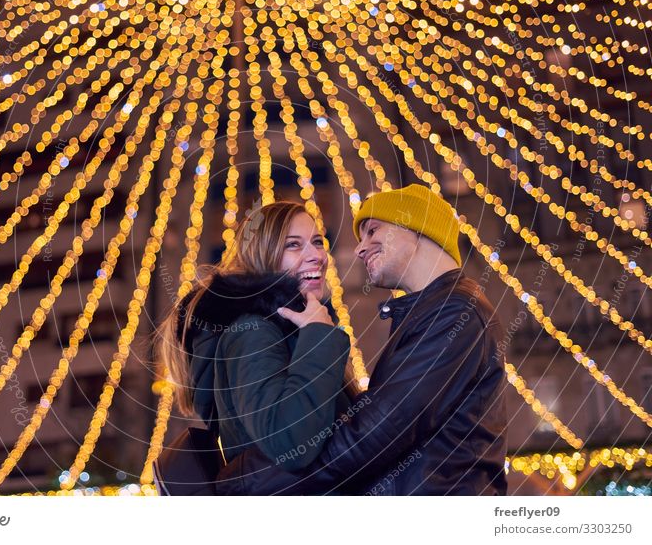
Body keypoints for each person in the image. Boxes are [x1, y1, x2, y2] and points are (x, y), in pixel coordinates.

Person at [215, 184, 508, 495]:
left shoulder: (453, 313)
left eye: (372, 230)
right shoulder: (257, 331)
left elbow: (375, 432)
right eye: (294, 245)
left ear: (416, 227)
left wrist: (246, 483)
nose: (358, 248)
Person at [157, 201, 358, 474]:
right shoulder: (252, 332)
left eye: (318, 242)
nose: (318, 256)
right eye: (294, 245)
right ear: (263, 255)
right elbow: (288, 441)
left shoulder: (287, 329)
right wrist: (318, 336)